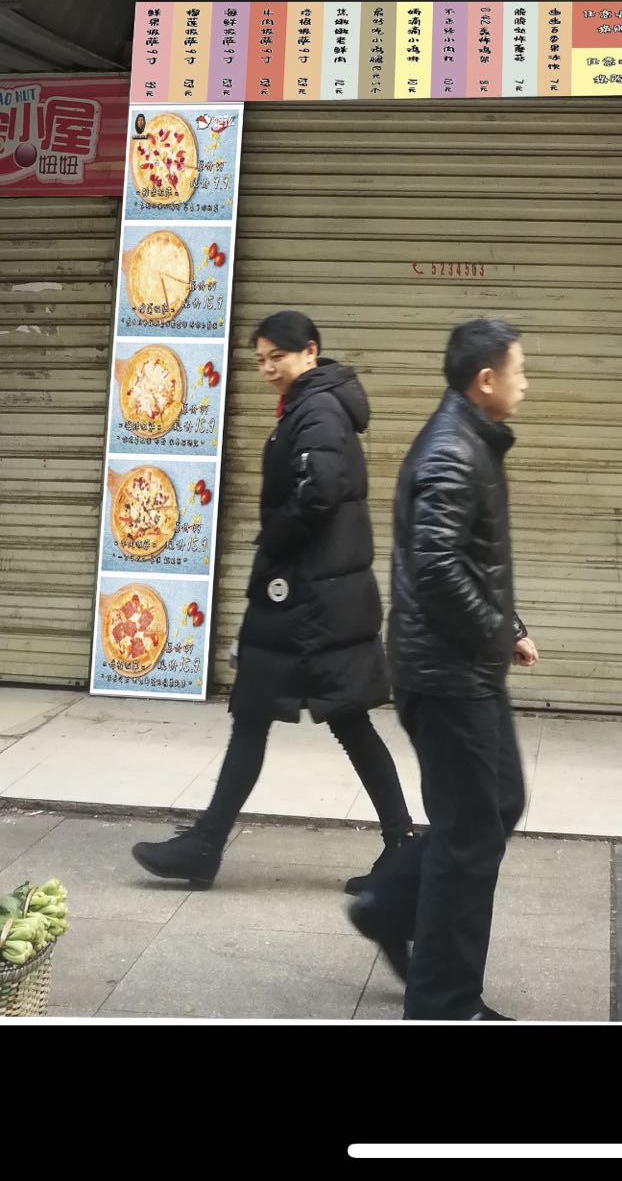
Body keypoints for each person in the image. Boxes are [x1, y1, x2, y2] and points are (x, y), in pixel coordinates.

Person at [132, 309, 413, 885]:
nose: (266, 369)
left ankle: (209, 845)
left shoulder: (319, 408)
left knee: (299, 715)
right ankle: (397, 845)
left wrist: (274, 541)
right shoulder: (310, 406)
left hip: (307, 599)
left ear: (310, 351)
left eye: (276, 357)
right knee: (288, 715)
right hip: (312, 594)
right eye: (259, 360)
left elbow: (320, 490)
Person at [348, 317, 538, 1021]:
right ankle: (444, 1003)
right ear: (485, 380)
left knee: (499, 803)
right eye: (519, 370)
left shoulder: (471, 440)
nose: (526, 383)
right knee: (469, 837)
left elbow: (466, 559)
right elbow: (434, 568)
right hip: (447, 675)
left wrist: (506, 627)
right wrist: (493, 631)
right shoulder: (452, 452)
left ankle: (389, 902)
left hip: (464, 667)